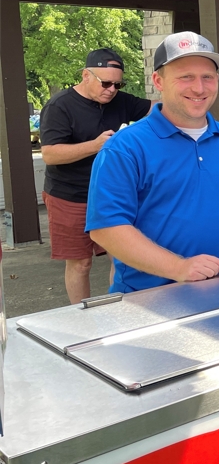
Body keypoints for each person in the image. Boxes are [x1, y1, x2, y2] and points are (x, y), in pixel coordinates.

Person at [86, 32, 219, 293]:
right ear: (158, 81)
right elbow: (106, 228)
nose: (199, 88)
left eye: (207, 77)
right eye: (186, 77)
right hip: (148, 300)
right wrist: (179, 268)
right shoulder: (125, 147)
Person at [39, 48, 151, 303]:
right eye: (106, 83)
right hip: (70, 195)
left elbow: (158, 108)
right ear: (86, 76)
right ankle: (81, 317)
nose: (111, 90)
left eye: (118, 84)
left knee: (122, 257)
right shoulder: (60, 105)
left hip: (111, 193)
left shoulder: (120, 100)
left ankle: (120, 311)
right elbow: (50, 154)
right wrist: (96, 145)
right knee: (81, 263)